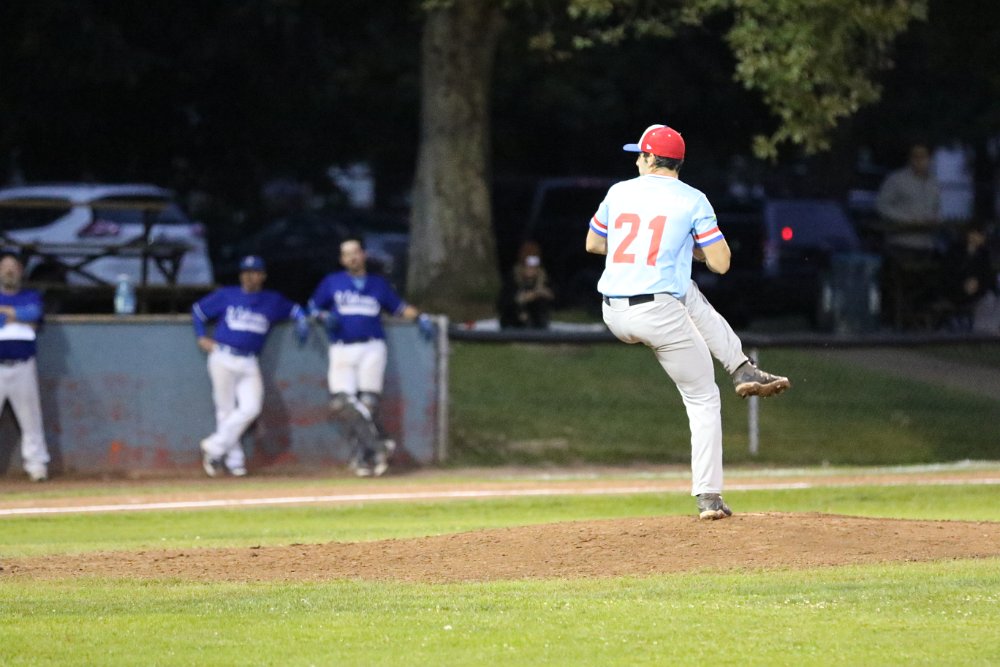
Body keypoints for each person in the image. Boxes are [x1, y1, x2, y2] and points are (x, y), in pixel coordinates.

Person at [585, 124, 788, 521]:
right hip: (658, 314)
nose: (636, 160)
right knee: (702, 397)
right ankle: (709, 497)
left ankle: (741, 367)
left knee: (688, 291)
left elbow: (594, 244)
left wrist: (663, 251)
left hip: (613, 310)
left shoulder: (619, 192)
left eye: (639, 154)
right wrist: (691, 248)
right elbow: (721, 264)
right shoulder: (693, 199)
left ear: (650, 158)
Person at [308, 237, 434, 477]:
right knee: (342, 402)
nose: (352, 258)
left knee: (368, 403)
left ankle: (364, 456)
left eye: (355, 252)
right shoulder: (333, 282)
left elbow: (399, 308)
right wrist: (322, 317)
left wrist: (420, 317)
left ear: (363, 255)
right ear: (342, 259)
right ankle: (380, 443)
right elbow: (313, 306)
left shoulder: (378, 284)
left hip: (371, 347)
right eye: (347, 254)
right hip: (341, 347)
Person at [192, 255, 309, 477]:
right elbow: (198, 311)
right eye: (245, 272)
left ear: (262, 276)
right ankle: (234, 461)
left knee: (251, 407)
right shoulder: (227, 294)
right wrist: (201, 336)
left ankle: (214, 447)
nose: (249, 276)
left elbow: (295, 310)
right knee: (225, 410)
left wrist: (302, 318)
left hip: (249, 360)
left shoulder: (272, 300)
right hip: (223, 355)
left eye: (254, 272)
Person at [0, 250, 50, 482]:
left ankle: (36, 465)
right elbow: (25, 318)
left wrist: (7, 312)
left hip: (23, 365)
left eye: (14, 267)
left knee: (31, 419)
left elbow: (34, 313)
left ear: (21, 271)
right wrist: (18, 316)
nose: (9, 271)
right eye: (5, 267)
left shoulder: (31, 296)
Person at [875, 143, 943, 251]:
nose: (919, 160)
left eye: (923, 156)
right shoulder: (896, 179)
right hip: (901, 243)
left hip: (927, 244)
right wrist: (907, 220)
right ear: (910, 158)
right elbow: (882, 206)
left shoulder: (933, 183)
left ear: (929, 159)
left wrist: (935, 220)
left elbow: (936, 208)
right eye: (915, 156)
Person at [498, 240, 555, 329]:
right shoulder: (513, 279)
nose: (531, 268)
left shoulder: (543, 278)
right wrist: (521, 299)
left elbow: (555, 299)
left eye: (534, 264)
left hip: (537, 324)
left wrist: (545, 294)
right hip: (513, 323)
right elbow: (502, 303)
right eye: (528, 265)